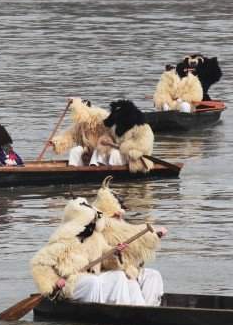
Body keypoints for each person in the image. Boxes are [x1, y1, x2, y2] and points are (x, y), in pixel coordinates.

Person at [30, 198, 147, 305]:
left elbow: (106, 259)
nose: (92, 226)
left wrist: (115, 252)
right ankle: (98, 313)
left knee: (118, 276)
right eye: (90, 222)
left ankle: (125, 307)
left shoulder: (96, 238)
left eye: (93, 222)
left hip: (93, 278)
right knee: (92, 282)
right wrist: (53, 282)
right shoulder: (63, 240)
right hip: (70, 283)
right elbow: (39, 264)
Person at [92, 176, 167, 306]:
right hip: (110, 273)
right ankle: (140, 312)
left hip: (127, 269)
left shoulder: (121, 225)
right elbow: (134, 237)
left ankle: (151, 308)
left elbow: (133, 238)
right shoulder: (103, 226)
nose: (123, 212)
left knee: (153, 275)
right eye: (120, 208)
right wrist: (154, 235)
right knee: (130, 283)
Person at [50, 98, 122, 167]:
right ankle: (72, 169)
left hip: (104, 150)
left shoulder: (100, 118)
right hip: (87, 151)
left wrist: (76, 102)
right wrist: (55, 142)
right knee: (76, 150)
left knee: (99, 149)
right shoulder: (79, 126)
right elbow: (68, 137)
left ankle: (95, 168)